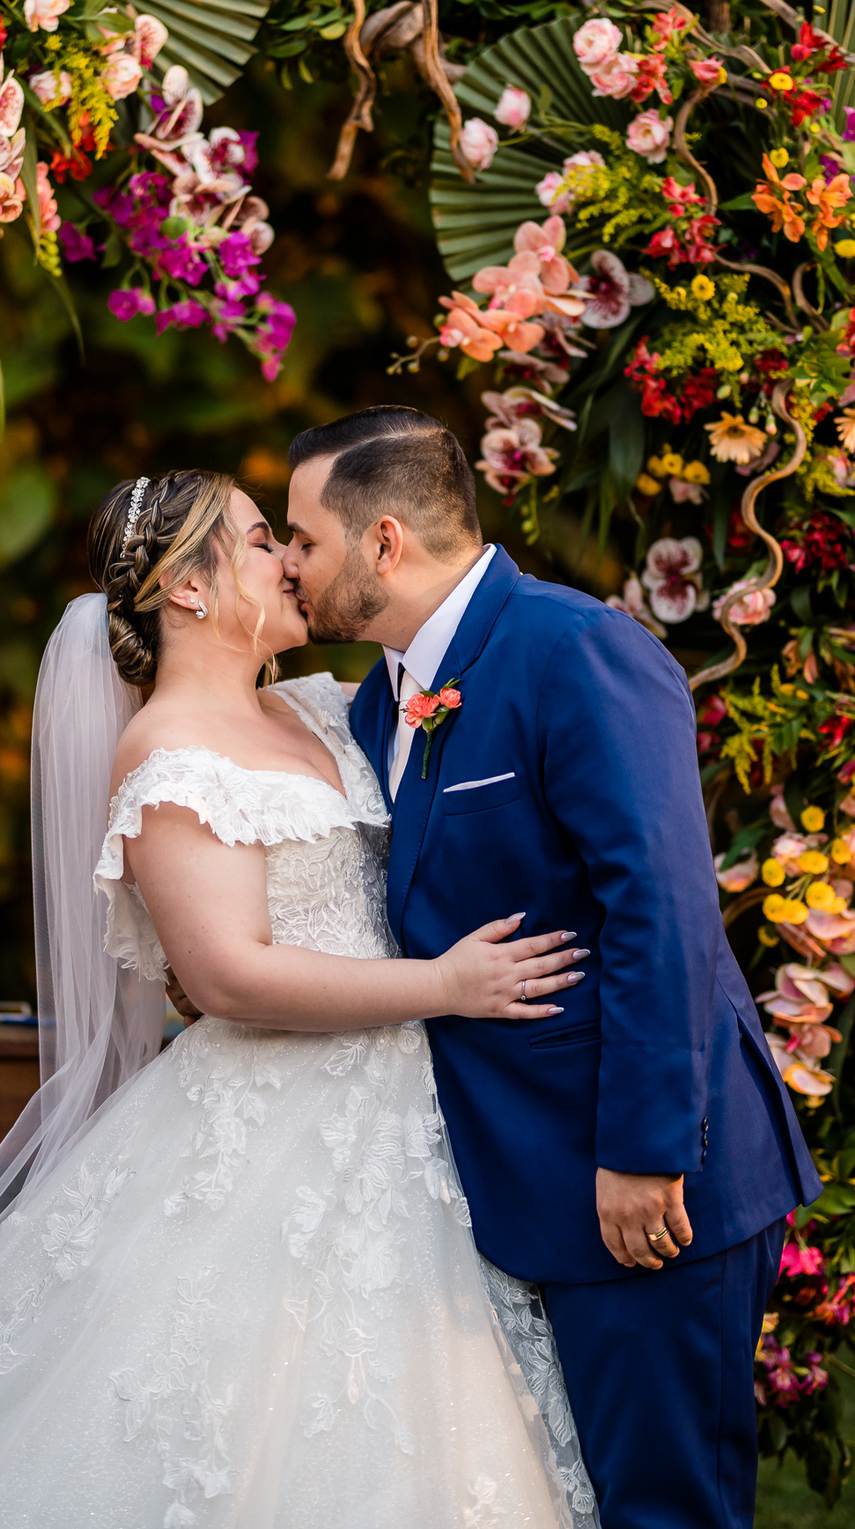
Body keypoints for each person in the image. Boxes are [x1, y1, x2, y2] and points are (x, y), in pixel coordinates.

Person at [0, 467, 597, 1529]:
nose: (293, 560)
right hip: (275, 1122)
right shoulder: (169, 752)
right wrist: (442, 985)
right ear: (188, 590)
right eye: (263, 541)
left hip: (404, 1109)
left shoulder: (320, 708)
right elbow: (224, 974)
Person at [281, 405, 822, 1529]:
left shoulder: (576, 650)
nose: (290, 566)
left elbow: (661, 909)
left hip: (645, 1186)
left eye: (303, 539)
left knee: (663, 1510)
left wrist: (644, 1152)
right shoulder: (381, 694)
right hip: (515, 1179)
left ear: (384, 541)